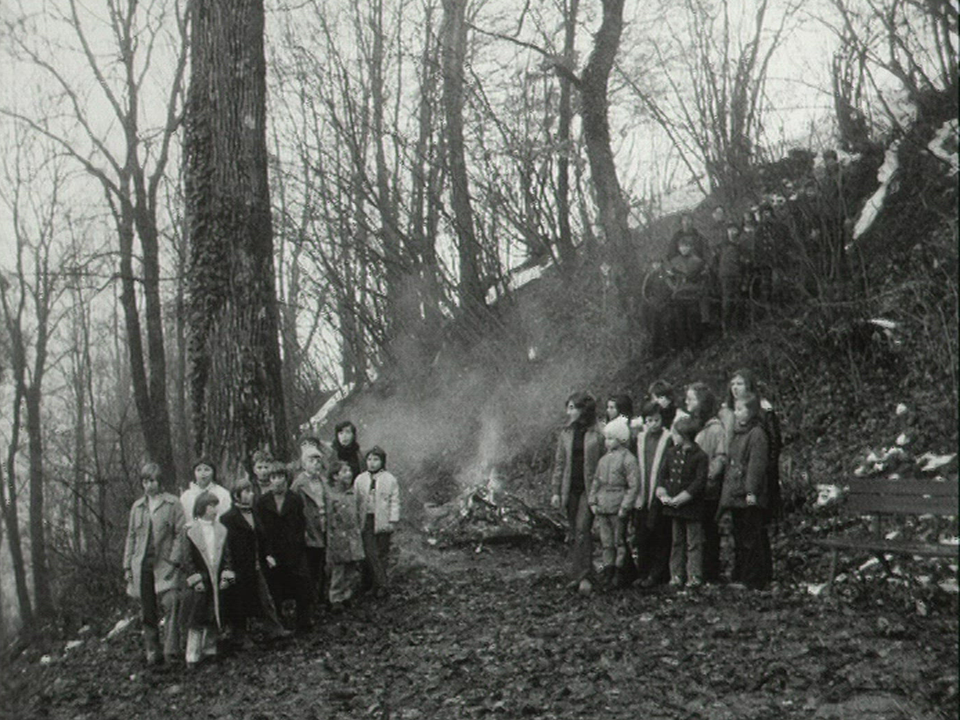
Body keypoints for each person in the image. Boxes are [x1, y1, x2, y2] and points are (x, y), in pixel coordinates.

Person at [123, 462, 186, 666]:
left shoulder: (172, 503)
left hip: (166, 564)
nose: (149, 486)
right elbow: (131, 537)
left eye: (152, 481)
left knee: (171, 603)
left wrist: (175, 560)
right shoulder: (137, 507)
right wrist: (127, 566)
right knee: (148, 612)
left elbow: (180, 533)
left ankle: (172, 650)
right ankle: (152, 650)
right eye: (145, 481)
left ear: (160, 482)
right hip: (142, 566)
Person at [220, 480, 290, 646]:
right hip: (240, 567)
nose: (250, 495)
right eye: (246, 491)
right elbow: (226, 547)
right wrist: (229, 568)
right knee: (240, 601)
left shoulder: (254, 514)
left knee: (265, 597)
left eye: (251, 491)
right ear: (237, 495)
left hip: (257, 564)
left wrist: (268, 555)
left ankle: (274, 628)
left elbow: (263, 538)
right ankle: (240, 635)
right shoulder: (228, 519)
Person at [550, 392, 603, 594]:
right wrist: (556, 490)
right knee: (574, 532)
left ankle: (585, 577)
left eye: (573, 407)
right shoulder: (566, 433)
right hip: (570, 488)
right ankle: (579, 572)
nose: (568, 412)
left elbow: (603, 462)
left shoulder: (598, 433)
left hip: (589, 489)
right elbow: (560, 463)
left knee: (582, 529)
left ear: (583, 410)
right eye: (568, 407)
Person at [719, 393, 772, 589]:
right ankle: (741, 575)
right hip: (736, 493)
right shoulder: (739, 433)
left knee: (751, 537)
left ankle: (753, 578)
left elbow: (756, 466)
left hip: (749, 495)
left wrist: (752, 492)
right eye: (736, 409)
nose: (737, 413)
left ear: (752, 412)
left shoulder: (757, 434)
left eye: (741, 409)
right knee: (740, 536)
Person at [178, 491, 235, 667]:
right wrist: (195, 579)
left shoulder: (221, 530)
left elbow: (226, 555)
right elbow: (186, 558)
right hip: (201, 579)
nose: (214, 509)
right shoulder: (189, 530)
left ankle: (210, 650)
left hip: (216, 578)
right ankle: (192, 655)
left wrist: (226, 573)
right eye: (211, 506)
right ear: (202, 508)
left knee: (213, 615)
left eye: (215, 505)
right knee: (196, 618)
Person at [719, 368, 783, 524]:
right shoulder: (726, 409)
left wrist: (766, 470)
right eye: (732, 383)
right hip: (734, 469)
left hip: (757, 470)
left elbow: (774, 442)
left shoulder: (763, 409)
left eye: (740, 383)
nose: (735, 387)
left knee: (755, 523)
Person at [256, 462, 313, 631]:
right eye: (274, 477)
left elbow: (300, 524)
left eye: (280, 477)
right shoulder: (263, 502)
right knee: (275, 586)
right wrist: (268, 553)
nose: (277, 481)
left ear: (286, 478)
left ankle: (303, 620)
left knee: (301, 583)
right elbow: (261, 530)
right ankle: (278, 622)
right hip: (272, 551)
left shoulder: (294, 499)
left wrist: (297, 546)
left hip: (294, 549)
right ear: (270, 480)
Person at [588, 417, 640, 590]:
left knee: (620, 542)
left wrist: (626, 506)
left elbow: (633, 486)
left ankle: (620, 573)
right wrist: (592, 500)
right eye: (606, 438)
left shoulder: (628, 459)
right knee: (606, 542)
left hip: (618, 507)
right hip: (603, 506)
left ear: (621, 439)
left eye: (611, 438)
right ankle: (608, 572)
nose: (607, 441)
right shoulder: (603, 460)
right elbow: (596, 481)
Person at [657, 416, 708, 589]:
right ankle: (676, 575)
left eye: (675, 433)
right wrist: (662, 492)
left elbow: (699, 482)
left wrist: (683, 497)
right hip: (673, 505)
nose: (673, 436)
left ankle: (694, 576)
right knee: (677, 541)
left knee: (693, 542)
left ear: (684, 436)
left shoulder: (700, 456)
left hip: (691, 506)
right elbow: (662, 475)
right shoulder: (671, 452)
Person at [685, 382, 727, 584]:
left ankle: (711, 571)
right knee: (696, 531)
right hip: (694, 488)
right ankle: (696, 569)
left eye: (691, 399)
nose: (687, 402)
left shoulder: (715, 428)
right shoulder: (693, 424)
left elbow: (720, 457)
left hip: (708, 489)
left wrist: (707, 476)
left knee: (709, 530)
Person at [633, 402, 673, 588]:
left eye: (656, 420)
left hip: (659, 490)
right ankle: (643, 571)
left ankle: (658, 573)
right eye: (649, 420)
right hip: (642, 491)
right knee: (642, 535)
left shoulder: (668, 438)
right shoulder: (640, 438)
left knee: (659, 533)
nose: (653, 424)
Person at [354, 446, 401, 597]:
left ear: (382, 461)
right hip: (366, 519)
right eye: (369, 459)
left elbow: (395, 500)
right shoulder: (360, 479)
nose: (372, 463)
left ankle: (377, 587)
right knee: (370, 553)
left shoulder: (389, 479)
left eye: (376, 459)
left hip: (383, 519)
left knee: (382, 553)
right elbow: (355, 501)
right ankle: (382, 584)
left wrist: (393, 519)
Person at [291, 437, 328, 613]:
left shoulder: (323, 481)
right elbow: (294, 510)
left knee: (324, 563)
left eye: (317, 460)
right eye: (311, 460)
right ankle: (310, 601)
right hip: (309, 529)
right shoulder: (299, 484)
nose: (315, 464)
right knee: (311, 566)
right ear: (304, 464)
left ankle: (323, 596)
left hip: (324, 525)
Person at [324, 461, 366, 611]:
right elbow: (328, 518)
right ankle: (335, 598)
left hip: (352, 535)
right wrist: (331, 535)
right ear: (335, 476)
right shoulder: (330, 495)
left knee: (351, 566)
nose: (349, 474)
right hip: (338, 536)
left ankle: (347, 595)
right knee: (339, 569)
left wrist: (358, 529)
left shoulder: (353, 493)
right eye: (344, 471)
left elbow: (360, 512)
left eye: (349, 470)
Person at [663, 235, 706, 348]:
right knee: (681, 323)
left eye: (686, 246)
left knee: (694, 319)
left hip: (693, 295)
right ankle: (685, 347)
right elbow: (667, 278)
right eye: (682, 246)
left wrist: (699, 290)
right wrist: (674, 288)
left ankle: (697, 344)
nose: (684, 249)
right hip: (679, 296)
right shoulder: (674, 262)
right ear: (678, 248)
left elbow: (704, 278)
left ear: (691, 247)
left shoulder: (698, 262)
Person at [180, 458, 232, 523]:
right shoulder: (186, 496)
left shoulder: (223, 494)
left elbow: (227, 516)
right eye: (198, 470)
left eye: (207, 470)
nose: (202, 473)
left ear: (213, 472)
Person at [717, 222, 745, 335]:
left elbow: (742, 261)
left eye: (734, 229)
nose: (732, 232)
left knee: (738, 301)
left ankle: (737, 327)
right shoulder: (722, 245)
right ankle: (726, 328)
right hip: (726, 276)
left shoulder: (739, 246)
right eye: (730, 229)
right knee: (728, 302)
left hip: (737, 275)